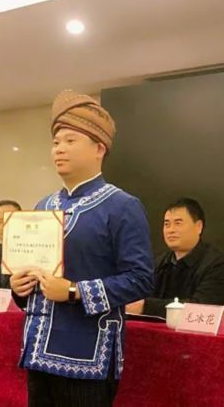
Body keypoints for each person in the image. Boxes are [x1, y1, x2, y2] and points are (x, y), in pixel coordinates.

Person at [10, 90, 154, 406]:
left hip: (87, 354)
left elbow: (141, 279)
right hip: (38, 349)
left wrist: (74, 291)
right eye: (55, 142)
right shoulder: (44, 205)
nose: (59, 149)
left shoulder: (122, 206)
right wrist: (20, 288)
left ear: (99, 148)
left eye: (70, 141)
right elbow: (36, 273)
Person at [126, 198, 224, 318]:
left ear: (199, 227)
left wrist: (146, 307)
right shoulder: (160, 263)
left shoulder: (217, 265)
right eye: (167, 224)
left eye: (178, 223)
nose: (171, 230)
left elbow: (203, 309)